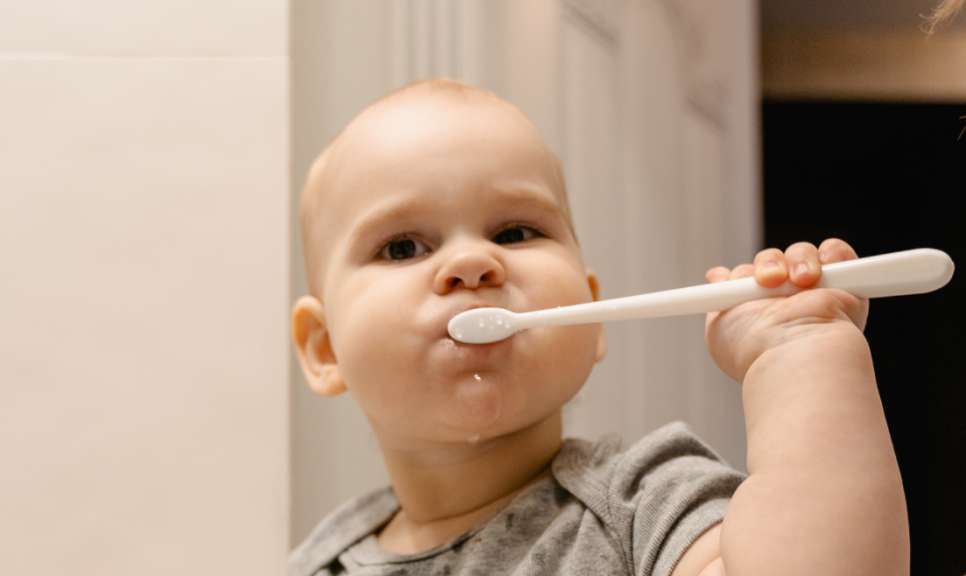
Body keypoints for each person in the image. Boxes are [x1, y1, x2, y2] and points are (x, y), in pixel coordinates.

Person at [288, 79, 909, 576]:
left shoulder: (645, 504)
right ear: (324, 350)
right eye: (402, 247)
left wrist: (800, 354)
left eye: (515, 232)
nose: (472, 263)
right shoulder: (323, 561)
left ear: (592, 312)